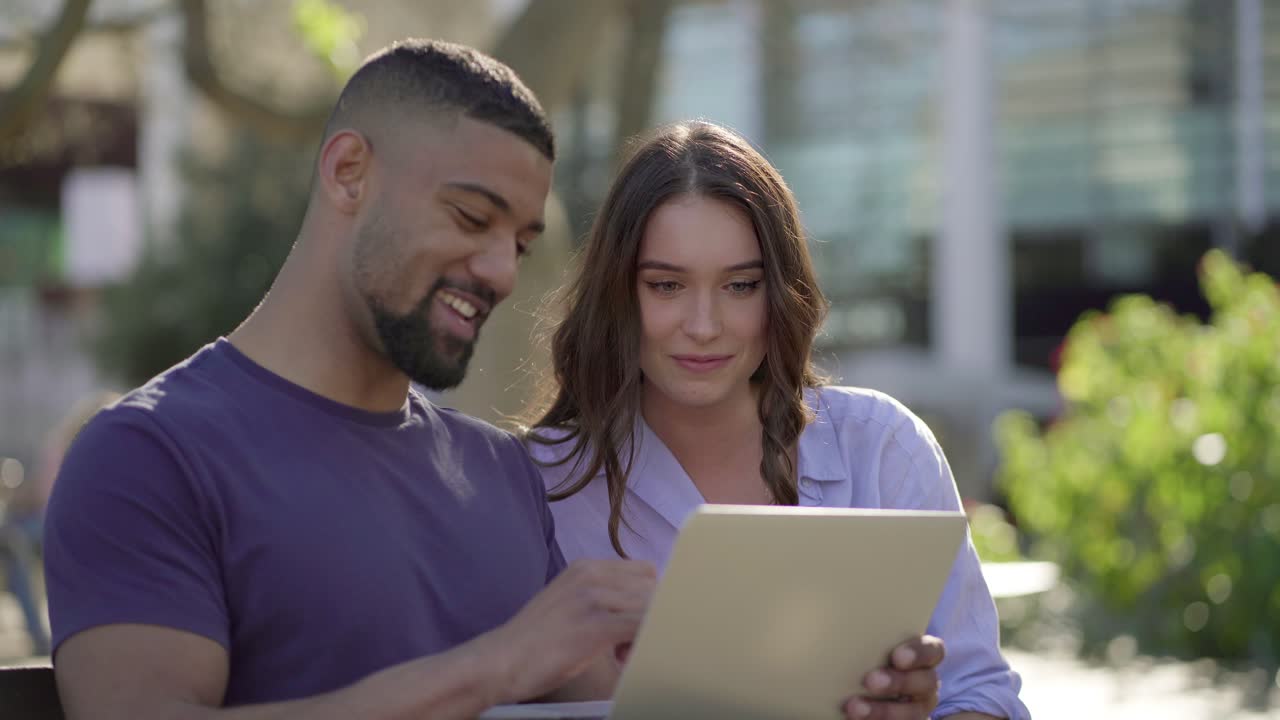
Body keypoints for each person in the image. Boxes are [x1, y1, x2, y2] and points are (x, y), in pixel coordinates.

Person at [43, 39, 658, 720]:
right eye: (472, 218)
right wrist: (492, 668)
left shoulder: (500, 469)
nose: (501, 272)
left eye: (518, 243)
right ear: (348, 172)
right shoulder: (146, 455)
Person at [524, 121, 1031, 720]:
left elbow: (982, 695)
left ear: (780, 293)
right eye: (666, 285)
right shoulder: (539, 484)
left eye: (741, 286)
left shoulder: (881, 448)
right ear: (617, 294)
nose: (705, 324)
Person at [0, 390, 120, 656]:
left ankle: (45, 632)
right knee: (16, 545)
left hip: (55, 524)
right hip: (53, 523)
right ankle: (42, 633)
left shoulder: (76, 446)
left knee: (16, 546)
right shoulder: (73, 448)